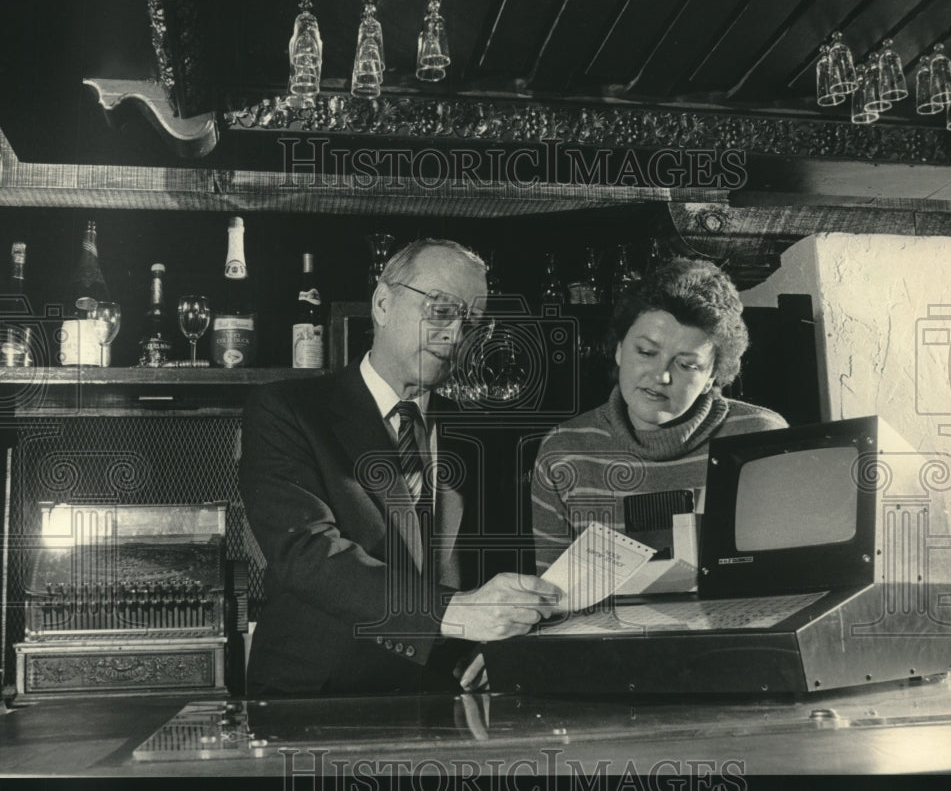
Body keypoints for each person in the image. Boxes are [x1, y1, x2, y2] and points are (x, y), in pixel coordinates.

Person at [240, 238, 560, 696]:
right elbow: (308, 554)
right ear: (384, 303)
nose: (454, 336)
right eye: (442, 310)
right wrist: (451, 613)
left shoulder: (482, 434)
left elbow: (500, 560)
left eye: (472, 323)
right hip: (317, 700)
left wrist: (500, 643)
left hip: (448, 701)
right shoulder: (288, 411)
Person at [532, 257, 788, 573]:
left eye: (686, 365)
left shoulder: (761, 437)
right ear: (618, 349)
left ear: (711, 376)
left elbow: (785, 574)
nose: (661, 376)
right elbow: (553, 595)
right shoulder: (563, 449)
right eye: (646, 352)